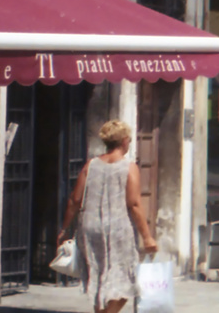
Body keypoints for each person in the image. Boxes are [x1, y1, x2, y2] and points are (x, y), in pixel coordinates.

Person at [55, 119, 157, 313]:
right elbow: (134, 203)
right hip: (119, 229)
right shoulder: (128, 167)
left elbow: (75, 199)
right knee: (126, 281)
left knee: (99, 277)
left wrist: (64, 227)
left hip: (90, 228)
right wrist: (147, 236)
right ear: (125, 140)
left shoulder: (90, 165)